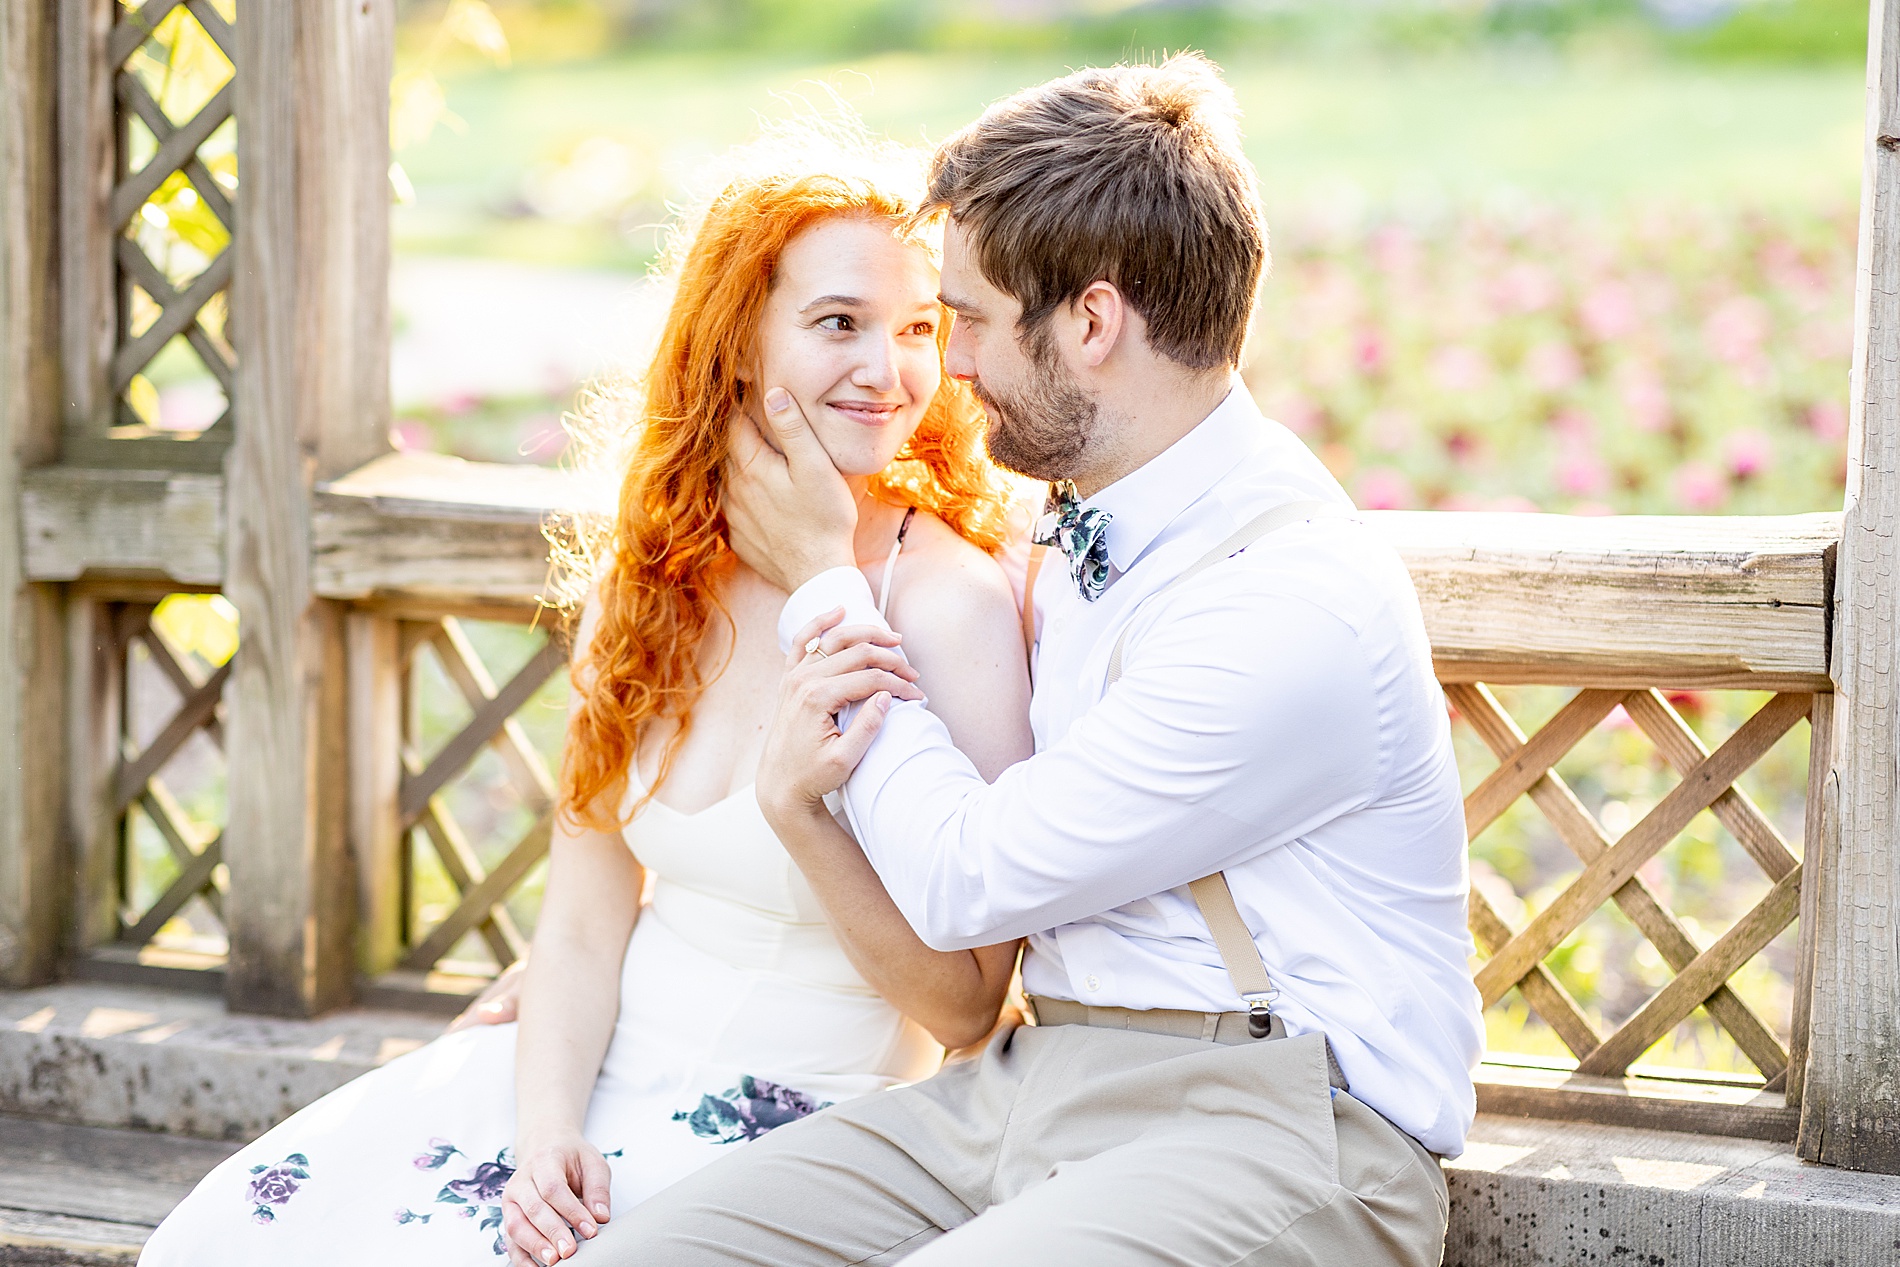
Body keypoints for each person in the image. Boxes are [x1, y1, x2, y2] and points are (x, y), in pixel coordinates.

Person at [584, 53, 1485, 1266]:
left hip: (1277, 1122)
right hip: (1028, 1079)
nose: (943, 367)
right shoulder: (1074, 519)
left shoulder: (1290, 603)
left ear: (1092, 322)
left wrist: (821, 584)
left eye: (964, 319)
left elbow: (965, 878)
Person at [137, 134, 1033, 1267]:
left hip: (805, 1123)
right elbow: (584, 908)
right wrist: (543, 1125)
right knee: (236, 1235)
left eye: (918, 330)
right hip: (591, 1064)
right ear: (739, 342)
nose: (889, 370)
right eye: (838, 323)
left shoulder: (946, 603)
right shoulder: (649, 577)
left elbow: (962, 1008)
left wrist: (801, 818)